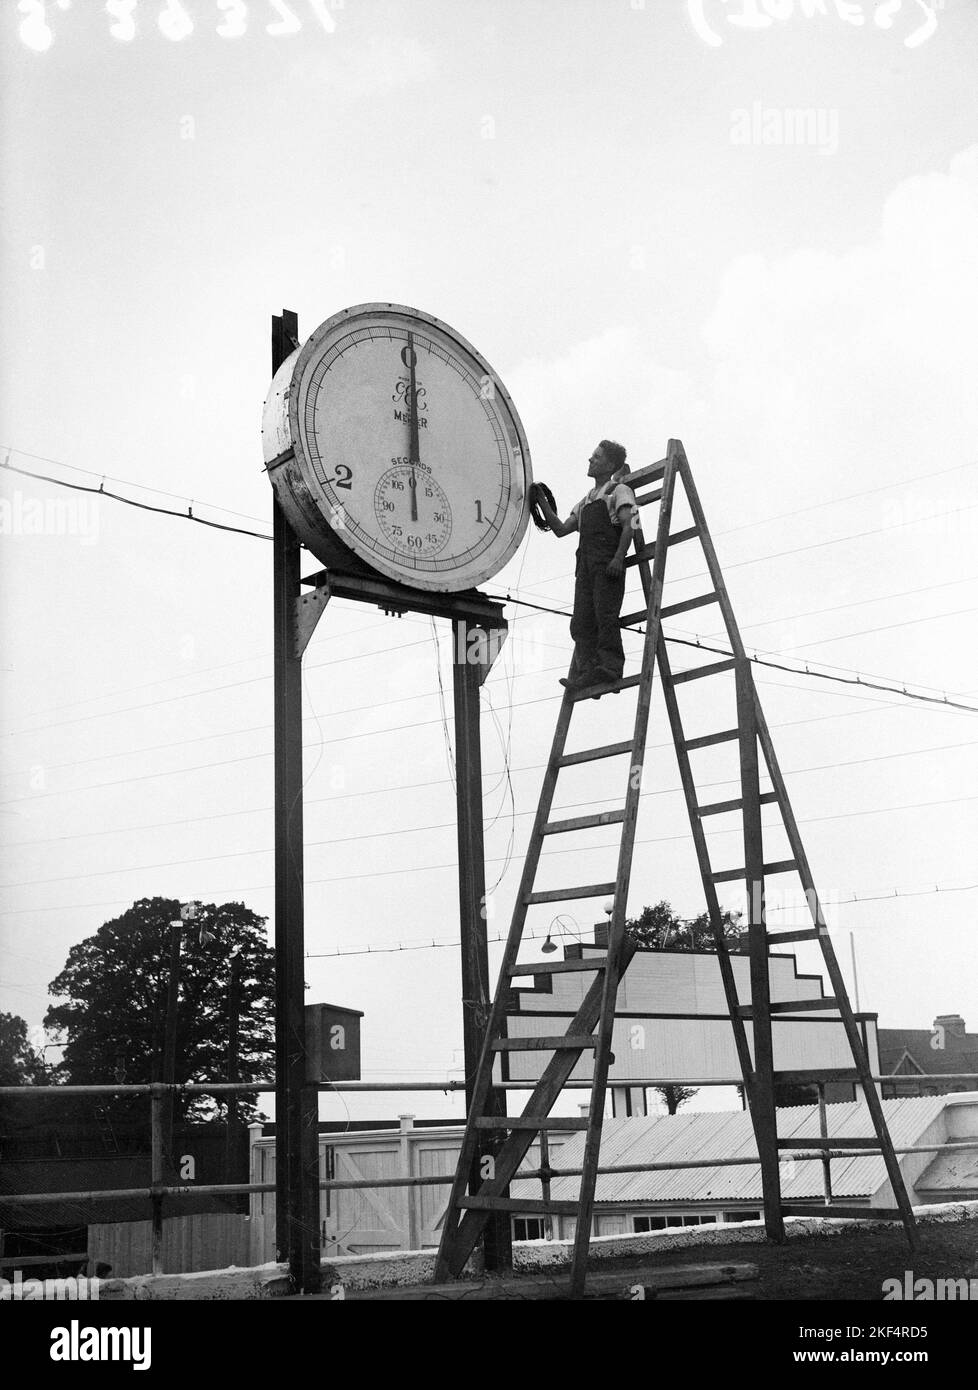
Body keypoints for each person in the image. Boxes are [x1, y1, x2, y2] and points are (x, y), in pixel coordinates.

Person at [532, 440, 639, 693]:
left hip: (606, 564)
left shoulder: (620, 491)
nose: (591, 460)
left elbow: (632, 525)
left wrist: (619, 558)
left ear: (611, 465)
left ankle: (610, 668)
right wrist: (540, 501)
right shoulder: (586, 501)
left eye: (597, 457)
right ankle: (589, 671)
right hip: (585, 568)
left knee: (605, 616)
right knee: (581, 621)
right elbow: (560, 529)